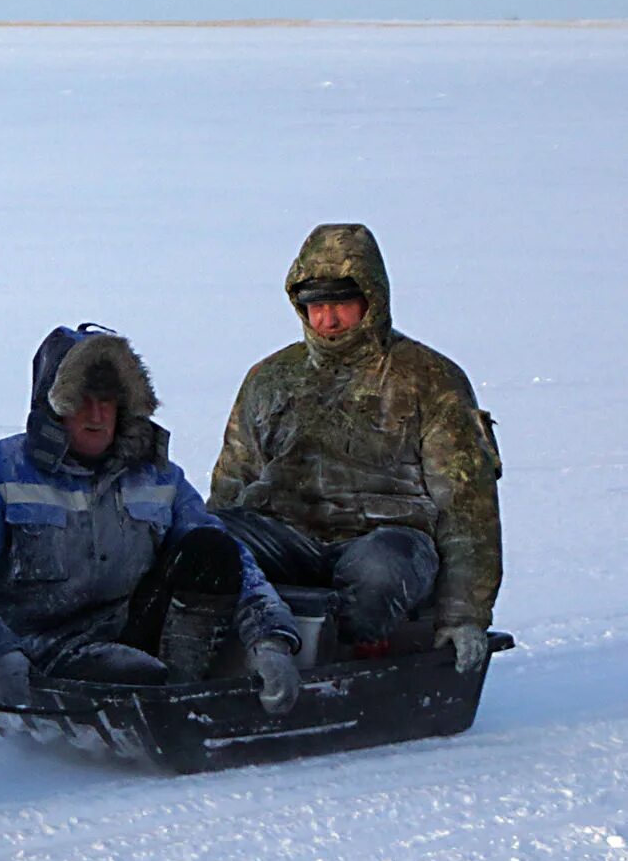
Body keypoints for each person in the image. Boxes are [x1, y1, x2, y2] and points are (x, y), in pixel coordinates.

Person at [0, 325, 302, 714]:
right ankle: (155, 691)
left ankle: (181, 684)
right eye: (81, 400)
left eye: (107, 400)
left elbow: (234, 558)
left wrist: (270, 639)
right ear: (53, 408)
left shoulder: (158, 476)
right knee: (129, 678)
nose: (96, 415)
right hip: (43, 652)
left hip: (132, 631)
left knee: (211, 549)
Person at [210, 223, 502, 672]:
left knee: (383, 569)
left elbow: (468, 510)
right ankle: (210, 657)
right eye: (315, 306)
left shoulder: (430, 379)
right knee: (205, 540)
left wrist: (464, 616)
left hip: (386, 542)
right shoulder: (270, 378)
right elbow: (233, 482)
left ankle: (357, 660)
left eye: (341, 304)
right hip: (288, 538)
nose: (327, 321)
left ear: (372, 299)